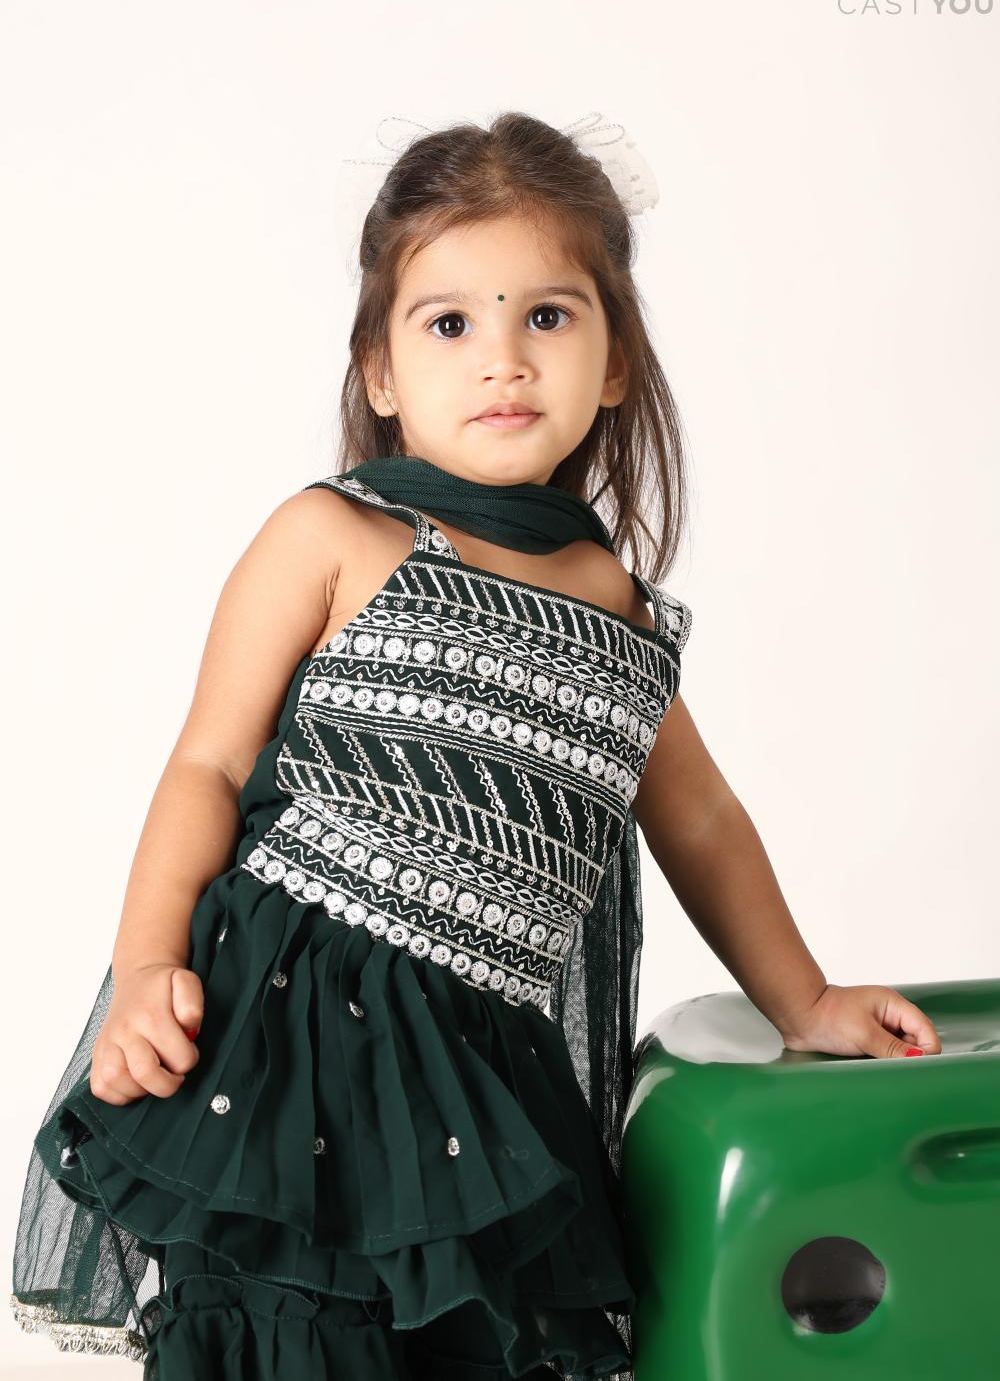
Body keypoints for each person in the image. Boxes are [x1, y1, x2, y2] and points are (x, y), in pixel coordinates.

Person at [9, 110, 941, 1380]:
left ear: (614, 362)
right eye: (449, 324)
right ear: (381, 372)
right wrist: (144, 965)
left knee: (472, 1348)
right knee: (301, 1338)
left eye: (546, 316)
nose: (501, 360)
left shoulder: (614, 603)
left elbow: (699, 817)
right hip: (294, 1042)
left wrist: (806, 999)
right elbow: (209, 767)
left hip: (475, 1071)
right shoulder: (334, 539)